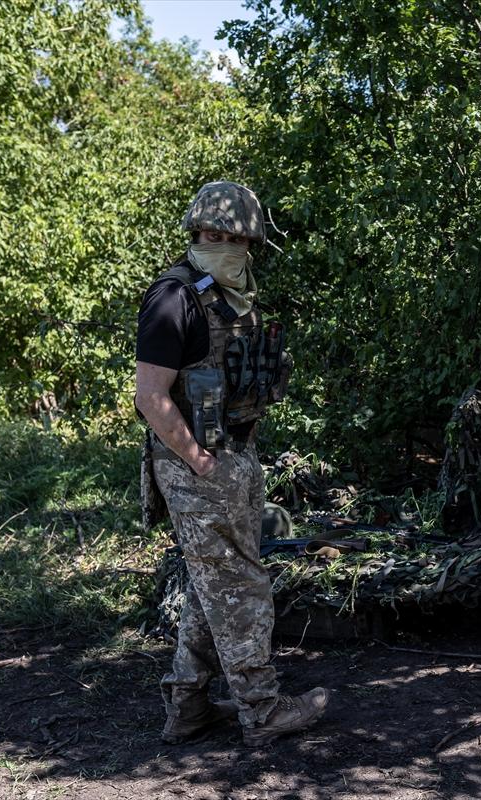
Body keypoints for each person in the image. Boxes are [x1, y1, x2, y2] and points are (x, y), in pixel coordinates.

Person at [135, 181, 328, 747]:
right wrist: (200, 462)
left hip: (234, 453)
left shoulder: (235, 296)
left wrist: (230, 459)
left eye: (233, 238)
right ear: (194, 234)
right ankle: (262, 711)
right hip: (197, 463)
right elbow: (151, 397)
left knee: (208, 585)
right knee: (242, 586)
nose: (221, 245)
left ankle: (189, 708)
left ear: (251, 244)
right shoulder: (174, 298)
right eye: (211, 236)